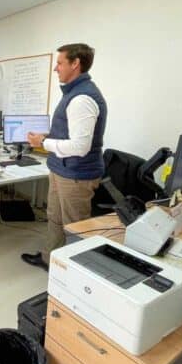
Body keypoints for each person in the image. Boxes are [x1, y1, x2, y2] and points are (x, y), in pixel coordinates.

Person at [22, 43, 107, 271]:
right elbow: (69, 134)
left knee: (75, 227)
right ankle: (49, 259)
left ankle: (74, 276)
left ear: (75, 63)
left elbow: (80, 146)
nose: (55, 68)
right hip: (61, 169)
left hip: (77, 175)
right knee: (55, 218)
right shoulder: (72, 93)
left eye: (59, 63)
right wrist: (47, 136)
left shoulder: (82, 98)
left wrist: (43, 143)